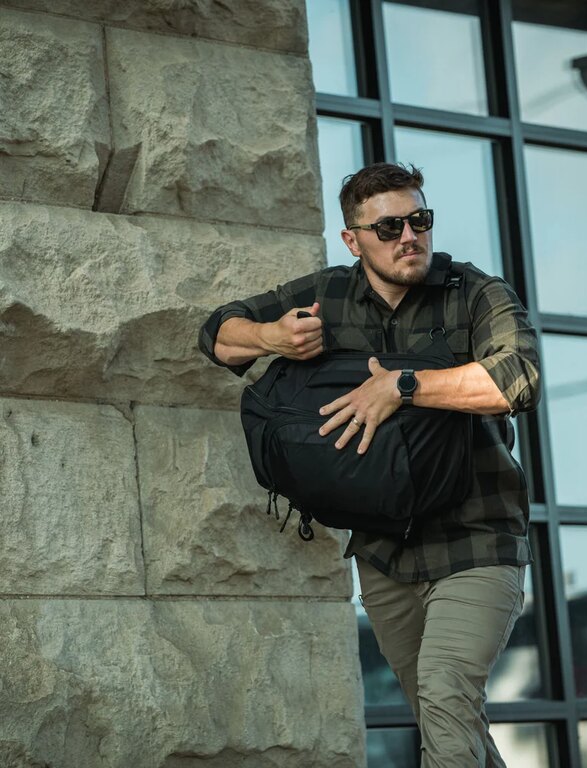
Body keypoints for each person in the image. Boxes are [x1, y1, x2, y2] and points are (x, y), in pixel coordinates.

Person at [198, 162, 540, 767]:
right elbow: (216, 335)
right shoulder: (329, 294)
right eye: (388, 228)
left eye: (419, 220)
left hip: (478, 539)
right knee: (444, 716)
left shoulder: (476, 292)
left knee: (445, 694)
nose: (409, 236)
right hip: (384, 553)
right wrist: (272, 337)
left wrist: (403, 386)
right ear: (353, 240)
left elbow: (517, 379)